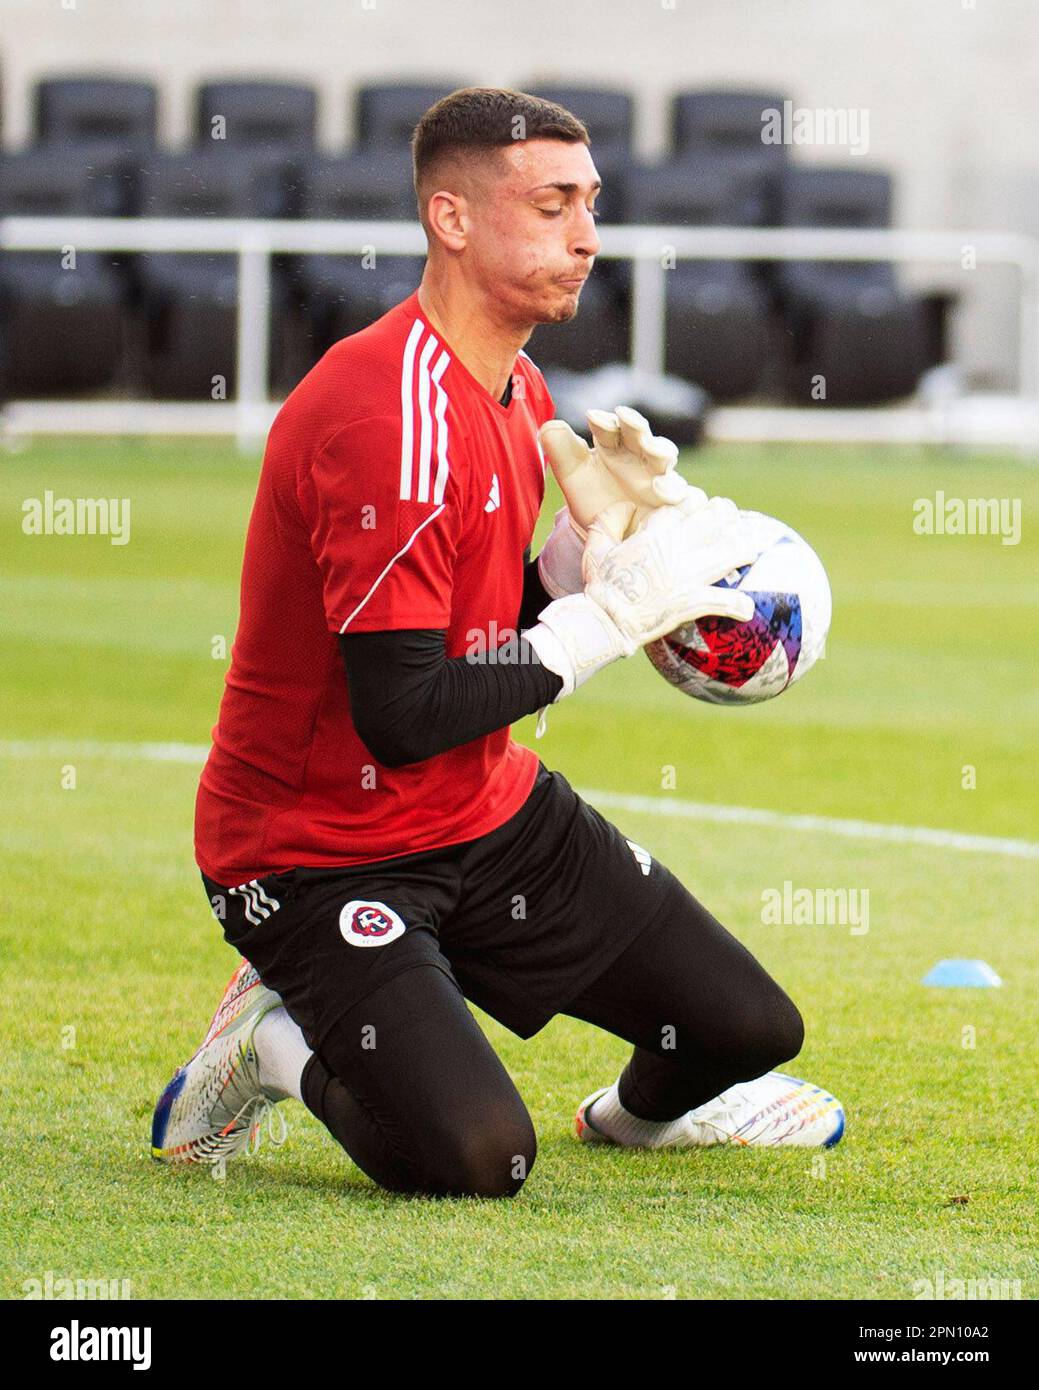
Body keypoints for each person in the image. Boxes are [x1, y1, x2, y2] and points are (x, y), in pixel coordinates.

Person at [151, 87, 844, 1197]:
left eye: (591, 204)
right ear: (452, 219)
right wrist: (607, 618)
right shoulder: (387, 415)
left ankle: (633, 1123)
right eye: (552, 204)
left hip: (482, 813)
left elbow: (461, 632)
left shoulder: (520, 387)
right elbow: (403, 711)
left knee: (749, 1026)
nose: (586, 235)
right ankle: (270, 1044)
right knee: (478, 1157)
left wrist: (578, 562)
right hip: (314, 851)